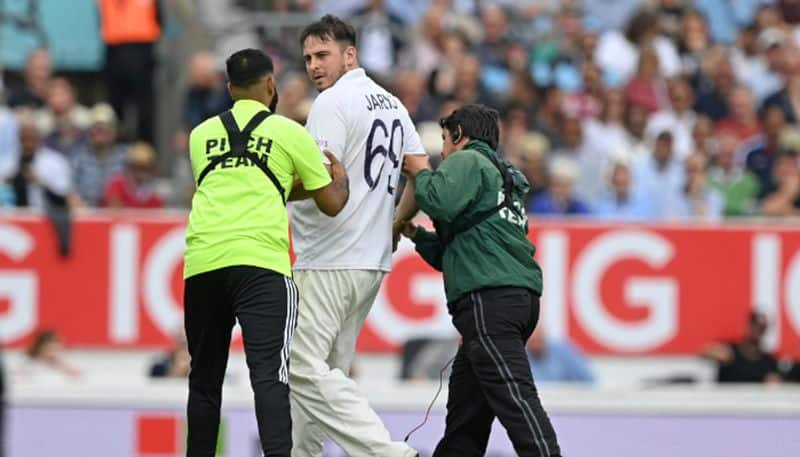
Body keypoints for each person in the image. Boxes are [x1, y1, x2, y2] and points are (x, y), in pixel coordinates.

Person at [183, 48, 349, 457]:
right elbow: (329, 202)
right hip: (261, 265)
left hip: (203, 262)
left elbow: (241, 176)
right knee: (269, 378)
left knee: (204, 380)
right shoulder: (289, 131)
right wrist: (339, 181)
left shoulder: (200, 135)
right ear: (271, 85)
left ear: (229, 89)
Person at [287, 15, 424, 457]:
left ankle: (387, 452)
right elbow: (422, 175)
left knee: (300, 368)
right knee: (324, 375)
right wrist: (396, 224)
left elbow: (320, 178)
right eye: (308, 57)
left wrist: (268, 180)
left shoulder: (331, 103)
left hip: (329, 257)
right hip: (370, 259)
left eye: (323, 55)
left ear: (351, 55)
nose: (313, 66)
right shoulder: (393, 104)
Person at [400, 104, 561, 457]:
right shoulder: (503, 176)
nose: (442, 151)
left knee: (518, 401)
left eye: (444, 140)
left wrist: (421, 171)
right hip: (512, 301)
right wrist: (414, 233)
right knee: (465, 421)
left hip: (488, 303)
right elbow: (452, 252)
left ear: (459, 134)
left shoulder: (467, 160)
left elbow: (438, 201)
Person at [702, 311, 782, 383]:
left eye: (761, 328)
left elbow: (777, 380)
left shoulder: (768, 362)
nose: (757, 330)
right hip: (727, 398)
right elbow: (703, 352)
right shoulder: (730, 351)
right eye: (754, 326)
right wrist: (714, 353)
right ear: (748, 325)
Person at [526, 327, 595, 383]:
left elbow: (589, 379)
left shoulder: (563, 351)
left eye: (539, 340)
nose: (536, 345)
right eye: (532, 341)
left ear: (544, 338)